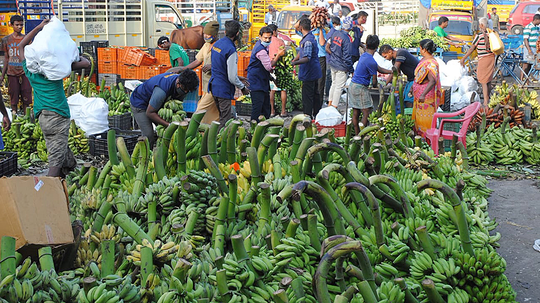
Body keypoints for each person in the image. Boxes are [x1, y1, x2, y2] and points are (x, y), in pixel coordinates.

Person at [18, 19, 91, 177]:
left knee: (60, 148)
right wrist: (70, 60)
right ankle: (49, 188)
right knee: (55, 159)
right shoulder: (57, 69)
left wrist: (38, 27)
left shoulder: (30, 71)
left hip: (43, 116)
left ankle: (69, 170)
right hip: (57, 114)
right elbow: (85, 64)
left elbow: (21, 46)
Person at [130, 70, 199, 147]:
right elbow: (149, 113)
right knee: (148, 135)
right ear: (178, 83)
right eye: (185, 89)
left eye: (188, 90)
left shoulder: (184, 84)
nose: (186, 91)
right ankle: (144, 156)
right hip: (140, 104)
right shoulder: (161, 91)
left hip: (157, 102)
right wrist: (169, 125)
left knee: (169, 133)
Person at [174, 21, 220, 124]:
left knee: (200, 109)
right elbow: (197, 61)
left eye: (208, 34)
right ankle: (210, 131)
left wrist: (213, 67)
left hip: (215, 85)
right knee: (213, 112)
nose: (206, 36)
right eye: (205, 34)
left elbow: (225, 64)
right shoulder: (206, 45)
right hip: (205, 86)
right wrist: (184, 69)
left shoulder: (220, 46)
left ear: (215, 35)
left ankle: (194, 129)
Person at [209, 20, 250, 127]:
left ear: (226, 31)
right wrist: (242, 88)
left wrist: (238, 77)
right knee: (225, 120)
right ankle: (219, 141)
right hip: (223, 89)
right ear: (237, 33)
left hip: (214, 86)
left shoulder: (217, 44)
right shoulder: (231, 49)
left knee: (222, 116)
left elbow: (219, 66)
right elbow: (231, 77)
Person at [349, 35, 393, 135]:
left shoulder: (364, 55)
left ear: (367, 45)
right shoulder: (371, 61)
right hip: (360, 88)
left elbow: (378, 68)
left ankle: (356, 135)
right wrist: (377, 85)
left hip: (353, 85)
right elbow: (374, 81)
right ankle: (362, 135)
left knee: (356, 111)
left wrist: (391, 71)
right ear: (377, 46)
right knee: (366, 111)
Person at [247, 26, 285, 121]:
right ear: (260, 37)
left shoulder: (263, 46)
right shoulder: (260, 50)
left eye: (269, 38)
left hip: (261, 81)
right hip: (256, 82)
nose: (267, 40)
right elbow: (268, 67)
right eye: (265, 38)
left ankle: (265, 126)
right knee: (258, 108)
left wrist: (271, 78)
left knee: (265, 108)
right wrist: (278, 56)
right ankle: (254, 129)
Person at [1, 15, 32, 116]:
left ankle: (26, 114)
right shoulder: (6, 40)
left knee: (26, 94)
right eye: (17, 25)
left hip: (24, 72)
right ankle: (14, 113)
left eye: (21, 25)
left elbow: (30, 56)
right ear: (11, 25)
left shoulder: (26, 39)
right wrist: (2, 75)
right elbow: (6, 57)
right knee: (13, 94)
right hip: (11, 72)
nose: (19, 27)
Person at [460, 18, 494, 107]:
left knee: (483, 81)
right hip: (491, 58)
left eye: (479, 24)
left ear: (482, 25)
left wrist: (463, 58)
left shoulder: (479, 35)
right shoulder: (491, 34)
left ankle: (486, 101)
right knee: (488, 80)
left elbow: (472, 48)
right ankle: (488, 98)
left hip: (483, 59)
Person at [292, 18, 322, 119]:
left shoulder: (308, 40)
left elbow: (307, 57)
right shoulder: (308, 36)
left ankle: (308, 116)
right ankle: (316, 114)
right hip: (313, 71)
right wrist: (295, 59)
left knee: (308, 96)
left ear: (301, 27)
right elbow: (302, 52)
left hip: (309, 72)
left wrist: (295, 63)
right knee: (314, 94)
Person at [412, 39, 442, 137]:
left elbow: (432, 80)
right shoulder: (423, 60)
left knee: (425, 121)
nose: (419, 50)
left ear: (424, 49)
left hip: (425, 99)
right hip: (419, 98)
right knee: (418, 121)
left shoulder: (431, 63)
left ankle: (426, 141)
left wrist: (423, 94)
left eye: (420, 48)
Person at [326, 16, 353, 108]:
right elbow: (347, 57)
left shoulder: (335, 33)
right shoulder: (347, 39)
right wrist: (351, 69)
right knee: (339, 87)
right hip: (341, 66)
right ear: (350, 27)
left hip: (333, 64)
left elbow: (328, 46)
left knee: (333, 84)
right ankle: (334, 107)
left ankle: (330, 103)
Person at [268, 24, 288, 117]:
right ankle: (283, 111)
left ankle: (272, 111)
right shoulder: (280, 41)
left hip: (271, 68)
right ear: (275, 32)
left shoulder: (267, 42)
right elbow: (284, 53)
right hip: (280, 68)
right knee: (283, 90)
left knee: (272, 90)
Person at [312, 15, 328, 114]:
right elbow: (296, 27)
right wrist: (312, 17)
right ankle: (313, 105)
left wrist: (321, 29)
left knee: (320, 83)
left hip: (321, 58)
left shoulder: (324, 32)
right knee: (312, 83)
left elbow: (322, 43)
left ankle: (319, 105)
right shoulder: (310, 30)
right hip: (312, 59)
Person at [522, 14, 540, 81]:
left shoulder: (537, 27)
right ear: (536, 20)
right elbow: (525, 39)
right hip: (529, 48)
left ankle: (527, 80)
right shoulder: (528, 27)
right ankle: (521, 79)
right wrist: (529, 50)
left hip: (535, 48)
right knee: (526, 64)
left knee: (532, 64)